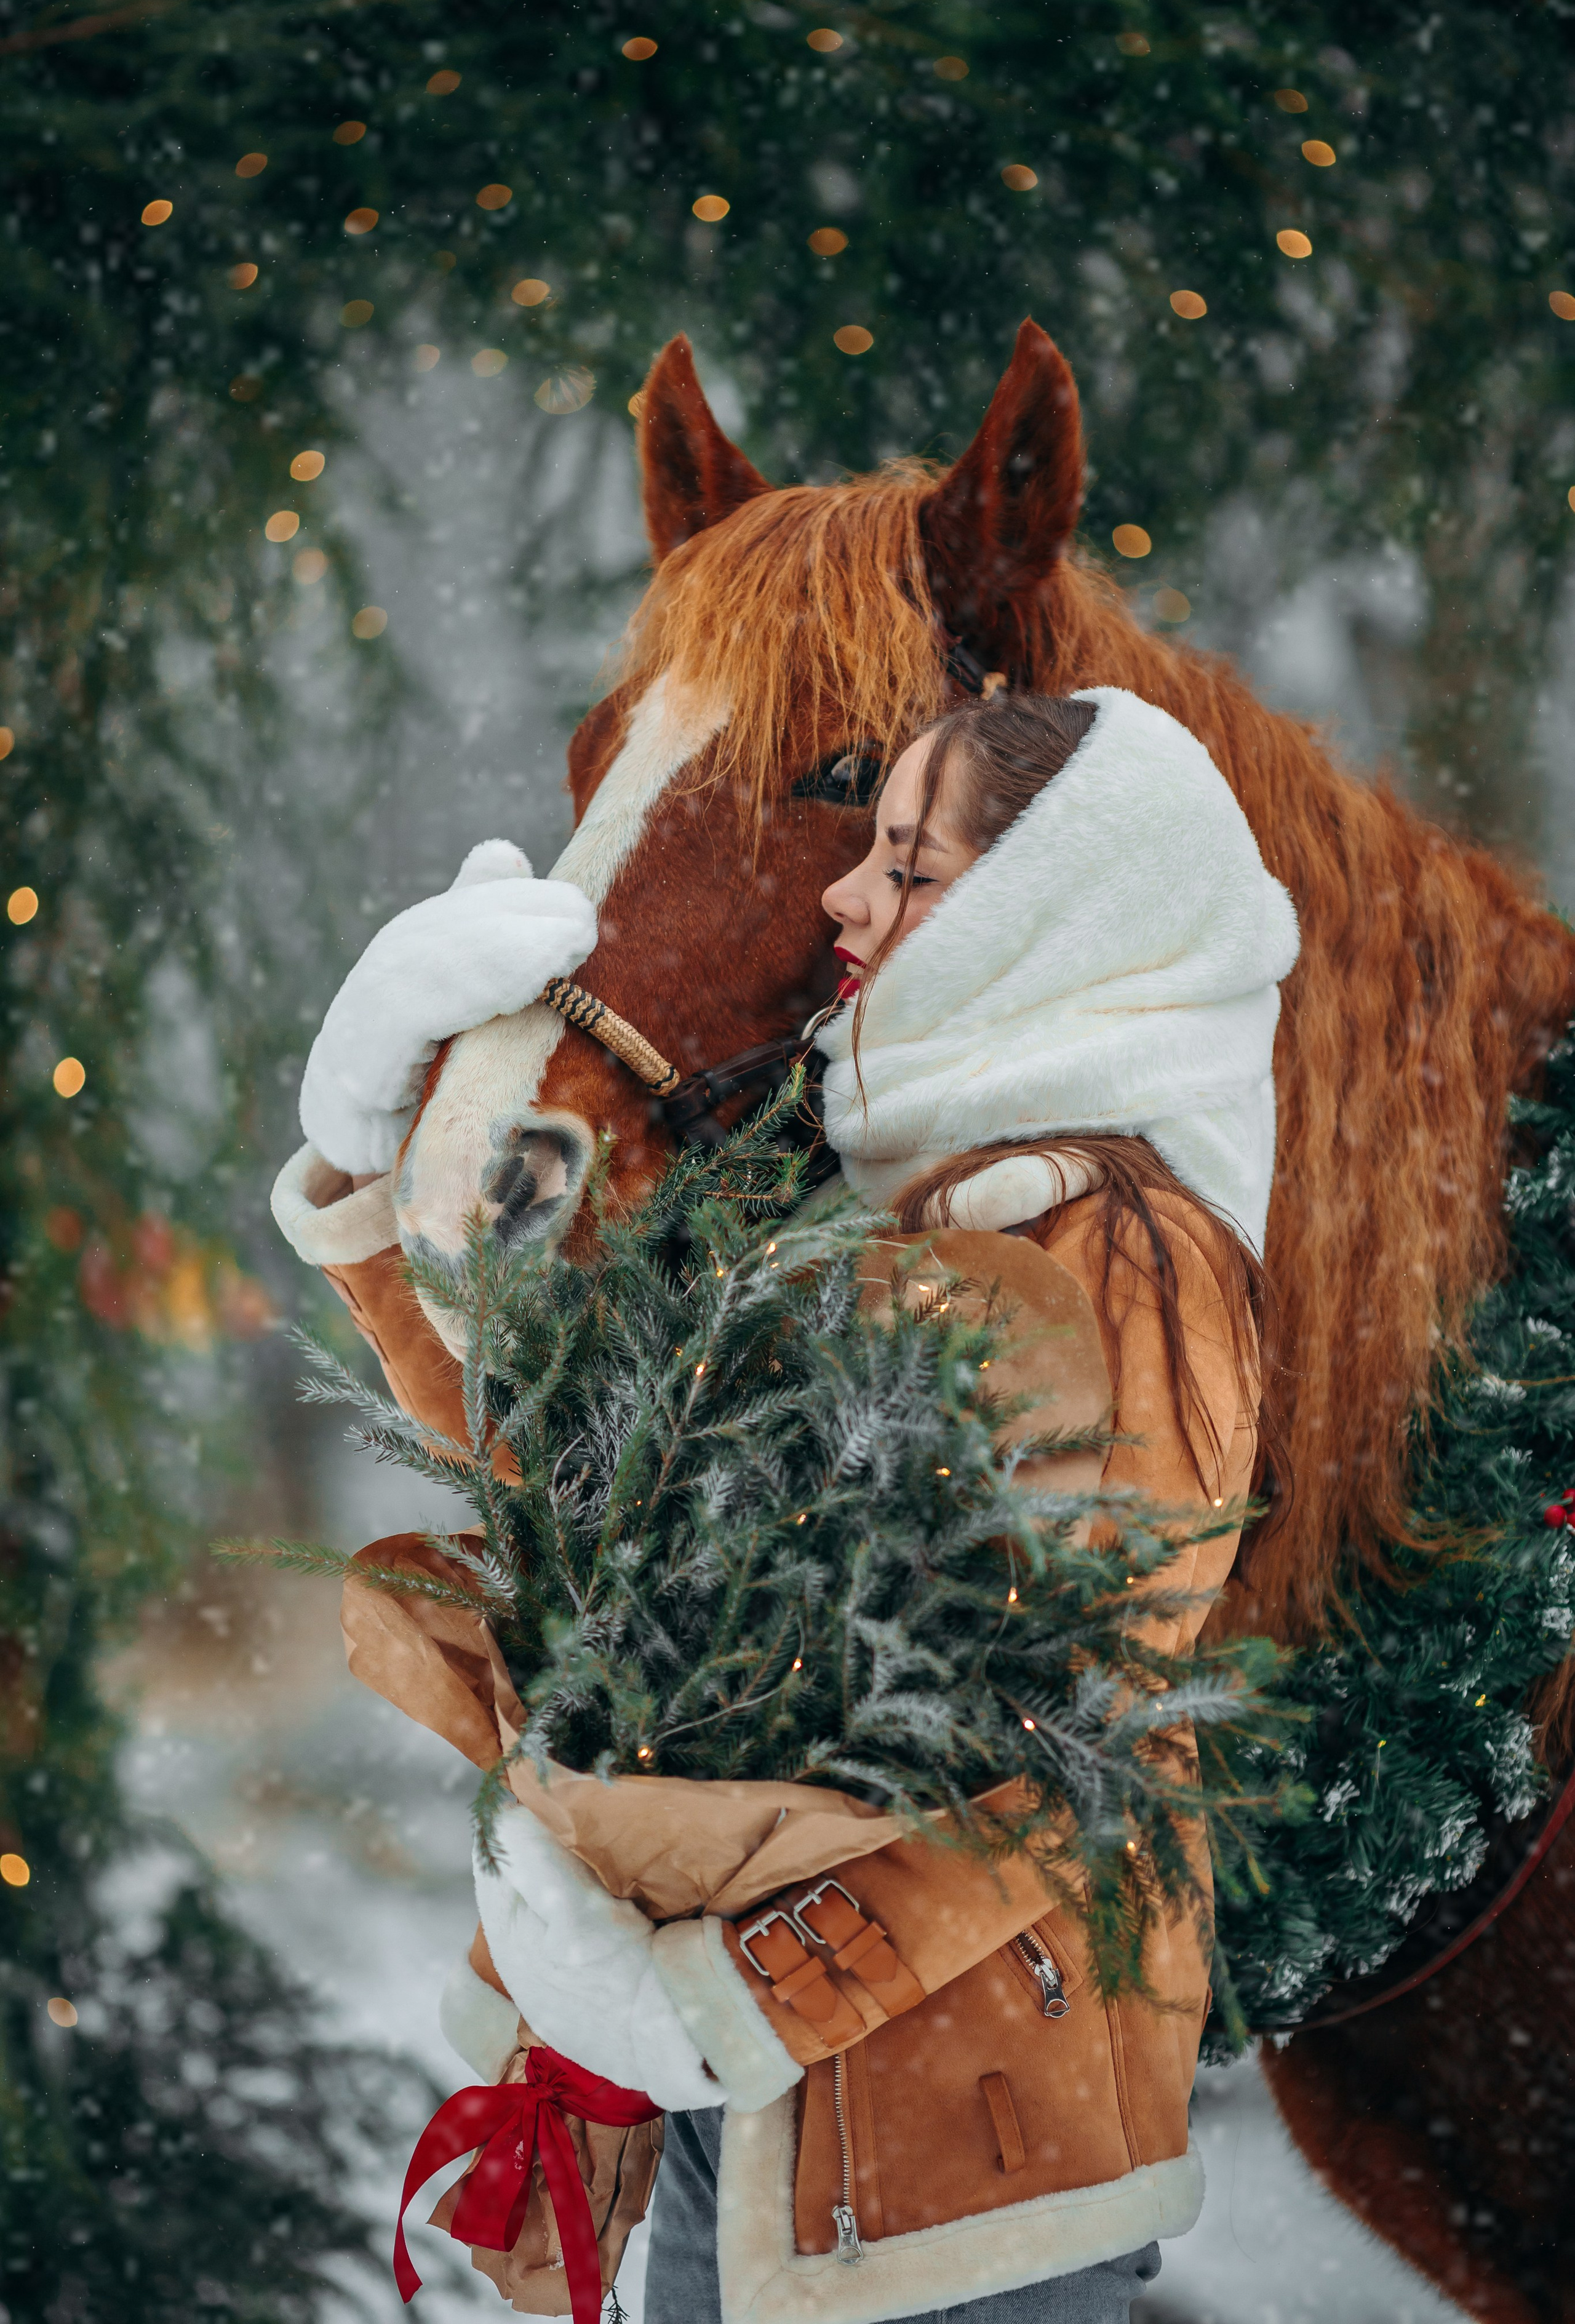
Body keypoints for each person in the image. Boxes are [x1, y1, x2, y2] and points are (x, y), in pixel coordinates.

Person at [273, 686, 1299, 2324]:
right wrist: (372, 1157)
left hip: (957, 2178)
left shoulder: (1126, 1252)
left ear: (1046, 920)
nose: (845, 896)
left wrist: (734, 1995)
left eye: (909, 867)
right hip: (741, 2123)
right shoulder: (839, 1191)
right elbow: (568, 1472)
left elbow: (1069, 1737)